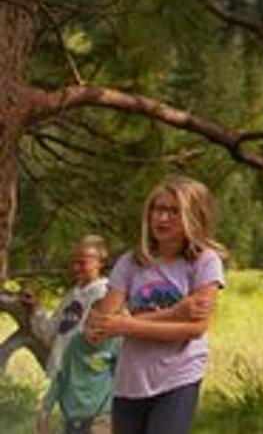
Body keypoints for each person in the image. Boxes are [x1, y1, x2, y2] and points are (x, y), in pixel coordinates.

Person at [84, 176, 227, 434]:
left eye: (174, 211)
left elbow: (194, 329)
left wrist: (126, 325)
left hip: (178, 377)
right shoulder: (131, 262)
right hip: (131, 380)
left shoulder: (205, 262)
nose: (162, 218)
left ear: (194, 216)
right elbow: (100, 329)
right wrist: (175, 312)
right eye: (157, 209)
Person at [30, 234, 118, 434]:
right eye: (74, 262)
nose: (76, 267)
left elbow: (104, 343)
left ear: (99, 262)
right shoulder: (73, 294)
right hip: (66, 383)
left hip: (92, 388)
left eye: (82, 262)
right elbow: (52, 332)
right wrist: (36, 309)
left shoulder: (105, 293)